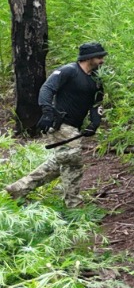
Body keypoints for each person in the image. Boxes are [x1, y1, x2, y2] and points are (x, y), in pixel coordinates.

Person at [6, 42, 108, 207]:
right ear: (88, 58)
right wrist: (47, 112)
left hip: (75, 127)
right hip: (60, 124)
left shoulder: (96, 79)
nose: (102, 60)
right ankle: (73, 204)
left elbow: (97, 103)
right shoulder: (69, 71)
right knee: (73, 158)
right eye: (99, 57)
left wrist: (95, 122)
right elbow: (46, 89)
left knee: (59, 162)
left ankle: (18, 189)